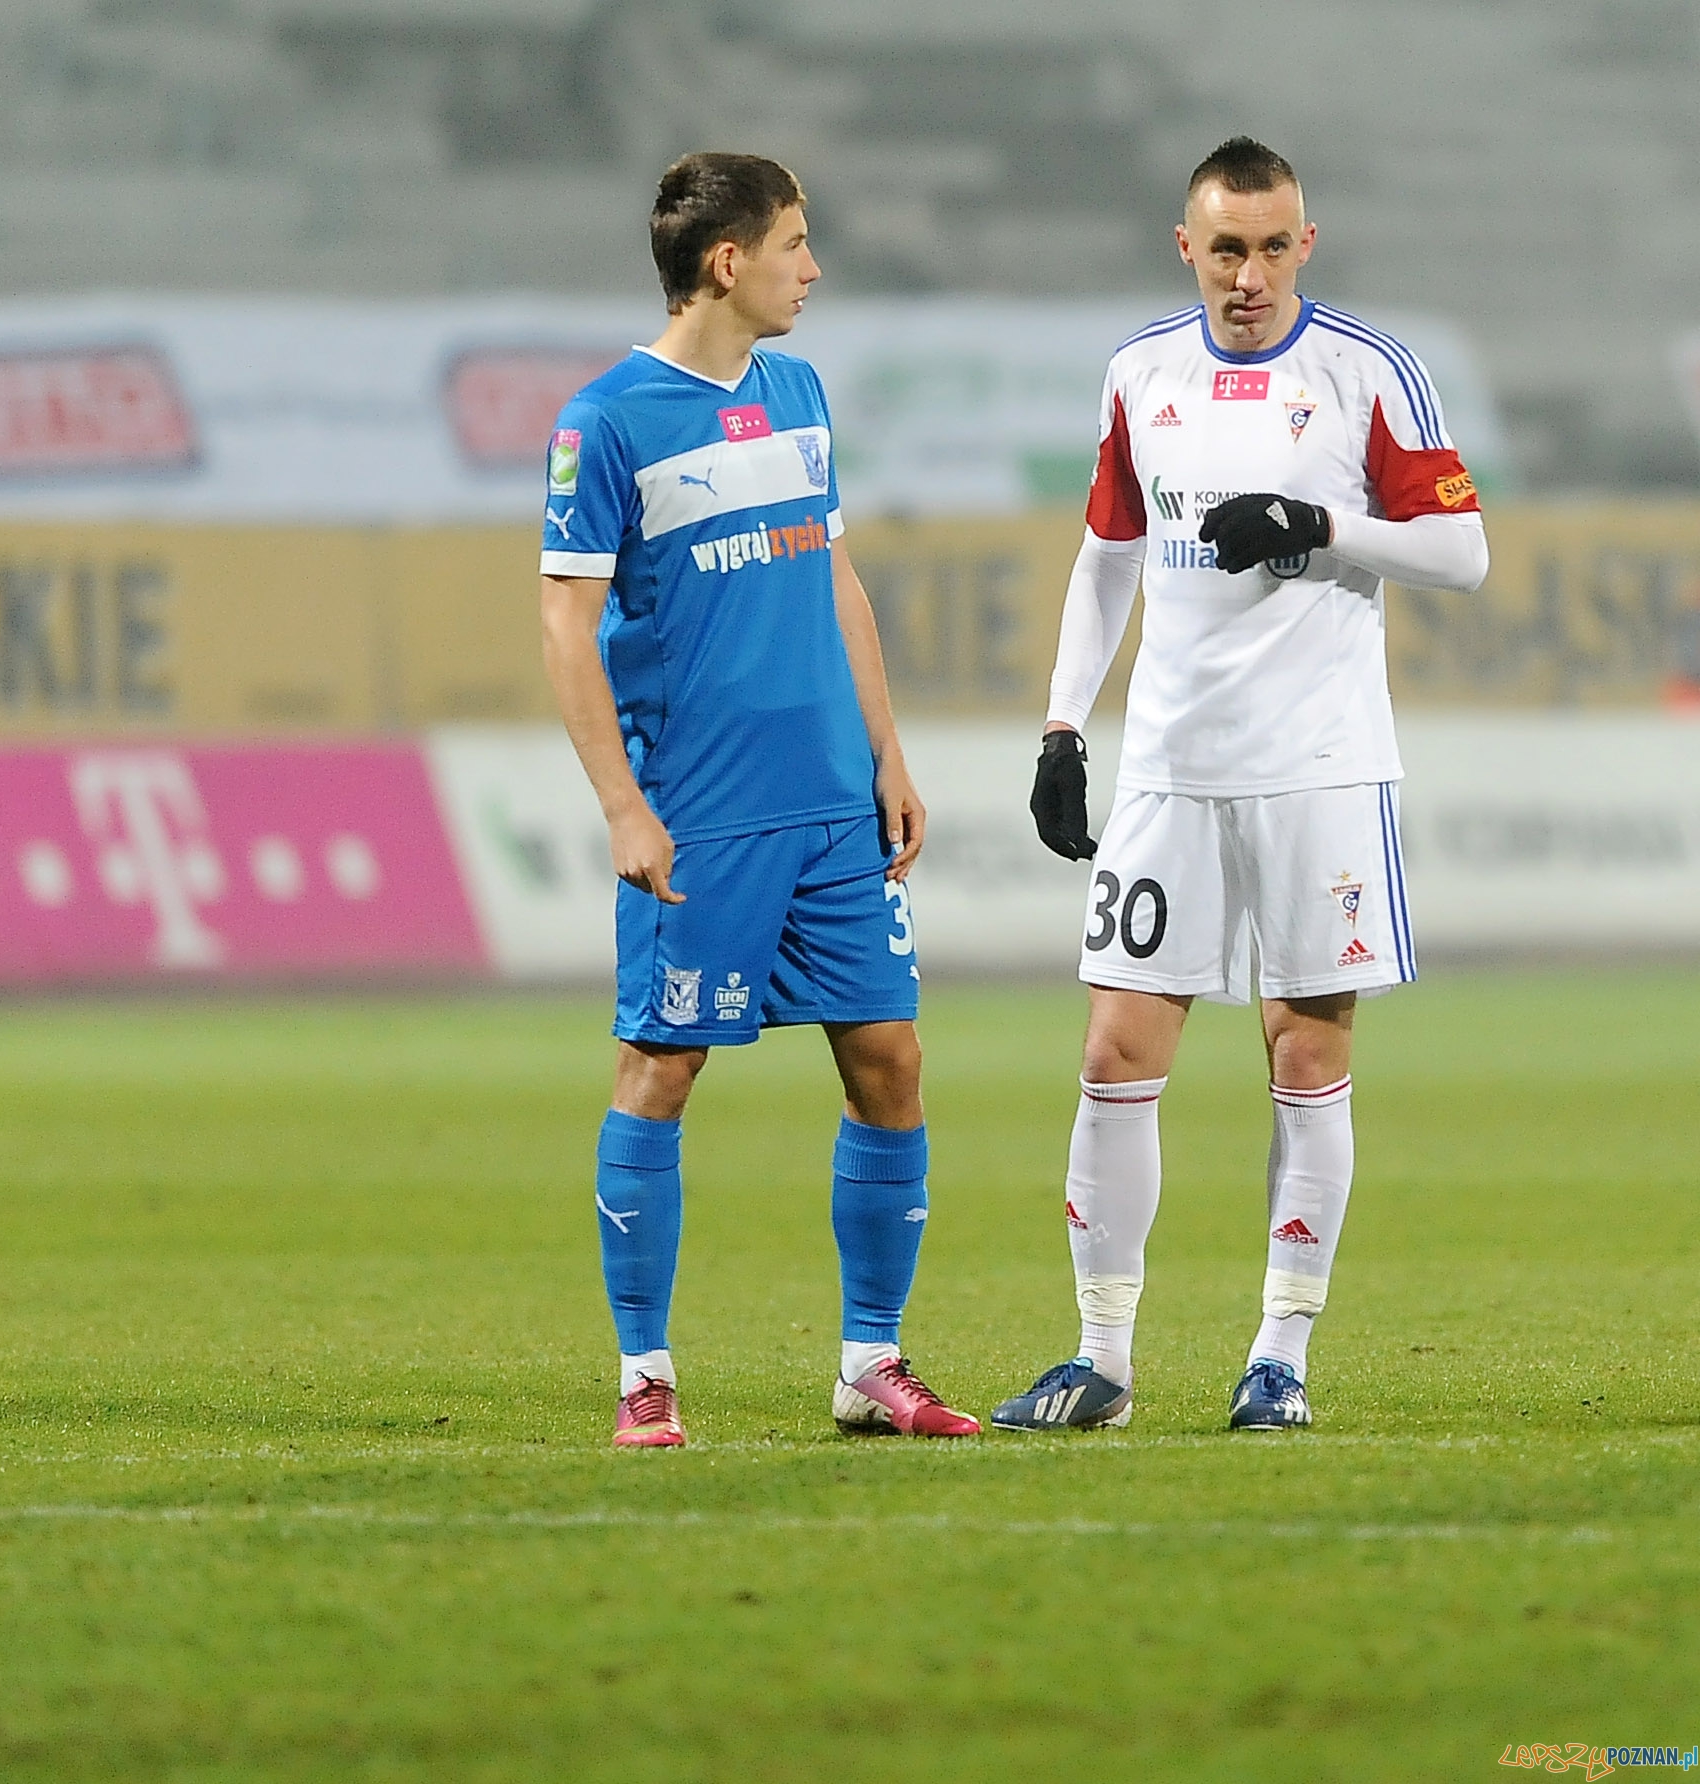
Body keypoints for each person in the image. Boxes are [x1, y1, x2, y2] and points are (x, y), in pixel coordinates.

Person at [992, 137, 1490, 1435]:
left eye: (1273, 248)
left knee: (1304, 1050)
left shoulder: (1367, 371)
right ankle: (1102, 1358)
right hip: (1168, 768)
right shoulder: (1140, 372)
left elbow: (1461, 552)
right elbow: (1106, 556)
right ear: (1187, 247)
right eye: (1227, 248)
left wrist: (1318, 527)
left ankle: (1279, 1358)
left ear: (1304, 245)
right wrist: (1062, 727)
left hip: (1318, 766)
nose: (1250, 275)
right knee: (1112, 1052)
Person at [539, 152, 980, 1450]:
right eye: (794, 241)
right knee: (661, 1066)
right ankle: (644, 1373)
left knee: (889, 1058)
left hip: (832, 804)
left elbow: (834, 577)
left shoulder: (797, 392)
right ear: (727, 261)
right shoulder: (605, 423)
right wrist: (622, 807)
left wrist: (886, 754)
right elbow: (564, 626)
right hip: (703, 812)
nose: (812, 267)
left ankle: (870, 1361)